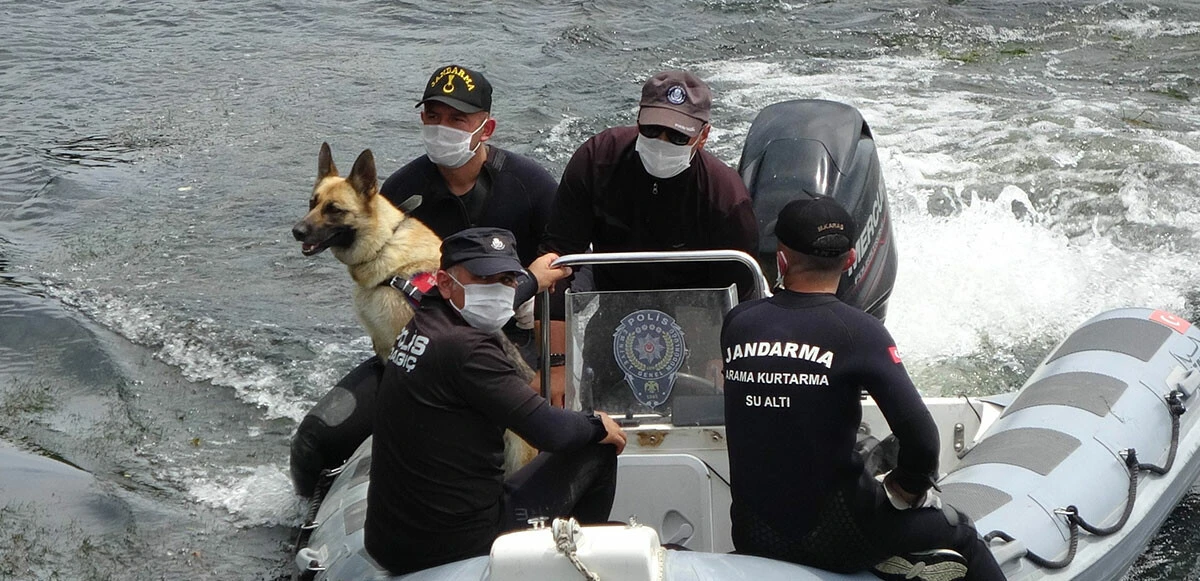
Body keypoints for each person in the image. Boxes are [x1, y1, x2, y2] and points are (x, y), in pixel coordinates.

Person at [720, 198, 1004, 581]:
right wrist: (905, 492)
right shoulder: (859, 331)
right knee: (962, 533)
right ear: (851, 258)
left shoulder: (739, 323)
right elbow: (922, 440)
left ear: (781, 258)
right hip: (841, 540)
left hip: (754, 535)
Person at [364, 227, 626, 575]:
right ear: (444, 282)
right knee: (595, 446)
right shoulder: (468, 351)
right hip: (460, 543)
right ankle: (573, 565)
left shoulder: (423, 323)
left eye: (506, 279)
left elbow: (486, 305)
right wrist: (597, 423)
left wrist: (533, 279)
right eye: (483, 278)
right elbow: (551, 432)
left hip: (392, 541)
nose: (498, 291)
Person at [380, 64, 566, 362]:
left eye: (457, 119)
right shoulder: (399, 193)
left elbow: (566, 266)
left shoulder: (531, 185)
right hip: (434, 333)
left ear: (487, 129)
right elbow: (386, 282)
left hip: (521, 333)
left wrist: (557, 363)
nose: (443, 128)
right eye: (433, 117)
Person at [536, 68, 759, 298]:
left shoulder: (726, 199)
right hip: (610, 297)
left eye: (678, 136)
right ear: (638, 119)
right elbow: (558, 256)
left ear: (703, 137)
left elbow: (734, 293)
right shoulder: (596, 159)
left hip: (694, 308)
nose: (661, 142)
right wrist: (551, 324)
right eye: (651, 129)